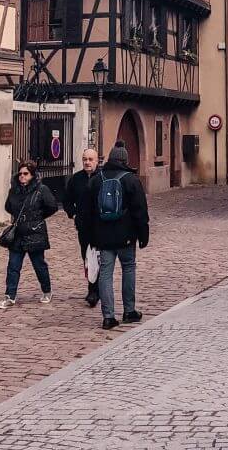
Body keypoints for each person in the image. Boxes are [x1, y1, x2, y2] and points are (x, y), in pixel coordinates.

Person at [80, 140, 149, 331]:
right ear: (125, 159)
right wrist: (143, 234)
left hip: (103, 236)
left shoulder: (96, 179)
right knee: (128, 269)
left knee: (106, 274)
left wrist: (89, 238)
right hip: (126, 236)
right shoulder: (131, 179)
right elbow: (140, 211)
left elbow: (87, 213)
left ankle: (108, 317)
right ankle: (129, 311)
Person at [0, 160, 57, 309]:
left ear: (32, 175)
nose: (22, 176)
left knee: (39, 264)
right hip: (18, 233)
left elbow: (52, 206)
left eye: (26, 174)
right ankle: (10, 295)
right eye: (20, 174)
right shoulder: (14, 190)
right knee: (13, 265)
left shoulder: (41, 190)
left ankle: (46, 290)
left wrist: (36, 217)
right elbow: (8, 206)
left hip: (35, 232)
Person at [63, 147, 100, 306]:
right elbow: (66, 200)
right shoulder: (76, 179)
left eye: (91, 159)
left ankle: (97, 290)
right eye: (85, 159)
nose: (87, 162)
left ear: (97, 161)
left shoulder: (102, 177)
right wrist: (74, 214)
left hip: (101, 226)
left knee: (99, 258)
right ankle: (92, 289)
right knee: (87, 258)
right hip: (83, 226)